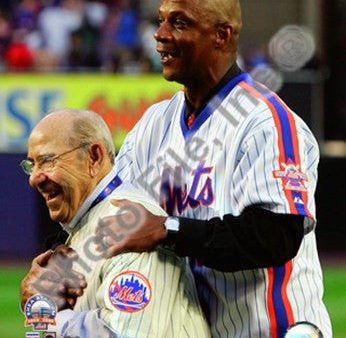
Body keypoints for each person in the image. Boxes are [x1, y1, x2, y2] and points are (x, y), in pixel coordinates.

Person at [95, 0, 332, 337]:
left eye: (179, 23)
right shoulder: (153, 125)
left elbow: (276, 235)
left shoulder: (266, 121)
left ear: (221, 35)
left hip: (274, 329)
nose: (160, 35)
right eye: (160, 21)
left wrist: (169, 230)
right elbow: (113, 215)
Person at [20, 108, 211, 338]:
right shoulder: (88, 223)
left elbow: (125, 334)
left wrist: (51, 315)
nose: (34, 178)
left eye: (48, 161)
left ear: (94, 157)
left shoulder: (130, 226)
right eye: (32, 165)